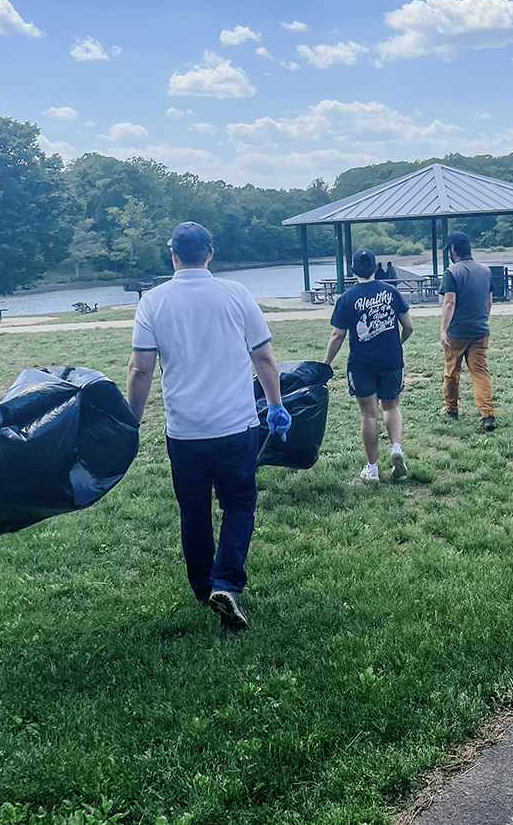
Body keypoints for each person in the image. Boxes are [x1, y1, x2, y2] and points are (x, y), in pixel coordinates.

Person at [126, 222, 292, 632]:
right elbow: (265, 358)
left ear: (173, 256)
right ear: (210, 254)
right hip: (236, 425)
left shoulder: (153, 301)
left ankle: (204, 588)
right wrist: (275, 405)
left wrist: (131, 422)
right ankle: (227, 582)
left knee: (194, 511)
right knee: (238, 502)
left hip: (184, 430)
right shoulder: (236, 294)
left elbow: (140, 369)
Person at [324, 248, 414, 482]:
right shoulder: (391, 291)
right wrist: (398, 343)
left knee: (368, 414)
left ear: (353, 269)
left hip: (361, 364)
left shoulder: (347, 298)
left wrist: (326, 363)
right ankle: (396, 448)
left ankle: (372, 468)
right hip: (391, 360)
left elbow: (338, 335)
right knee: (391, 405)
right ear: (375, 267)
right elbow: (409, 326)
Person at [439, 230, 496, 431]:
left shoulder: (452, 272)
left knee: (452, 372)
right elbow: (489, 302)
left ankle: (451, 408)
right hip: (480, 331)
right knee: (480, 372)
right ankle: (487, 414)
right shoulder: (486, 271)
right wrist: (482, 321)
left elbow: (449, 302)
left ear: (452, 249)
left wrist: (444, 330)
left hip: (457, 332)